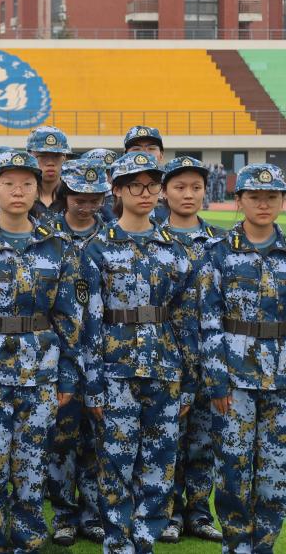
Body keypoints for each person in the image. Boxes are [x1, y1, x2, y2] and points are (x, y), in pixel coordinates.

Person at [0, 150, 86, 554]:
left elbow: (70, 320)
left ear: (38, 189)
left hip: (41, 373)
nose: (18, 191)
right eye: (8, 183)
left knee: (31, 465)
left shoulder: (58, 247)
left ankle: (28, 539)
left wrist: (67, 377)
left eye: (27, 183)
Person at [83, 151, 205, 554]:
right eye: (135, 184)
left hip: (165, 371)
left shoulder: (176, 250)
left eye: (153, 184)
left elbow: (186, 322)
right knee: (115, 466)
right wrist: (93, 384)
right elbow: (89, 324)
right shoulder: (96, 249)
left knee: (159, 466)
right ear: (116, 190)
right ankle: (118, 545)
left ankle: (145, 543)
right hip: (115, 373)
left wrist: (189, 381)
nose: (145, 192)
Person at [201, 163, 286, 554]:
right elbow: (208, 321)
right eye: (254, 197)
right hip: (234, 380)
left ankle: (264, 547)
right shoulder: (218, 252)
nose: (263, 204)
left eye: (272, 197)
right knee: (233, 473)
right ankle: (236, 547)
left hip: (281, 379)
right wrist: (217, 380)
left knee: (275, 476)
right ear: (239, 200)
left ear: (281, 201)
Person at [46, 158, 111, 545]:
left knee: (97, 439)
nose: (86, 207)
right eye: (79, 199)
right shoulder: (47, 235)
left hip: (105, 352)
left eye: (94, 199)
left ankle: (92, 513)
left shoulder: (113, 237)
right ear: (64, 196)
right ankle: (64, 515)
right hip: (59, 352)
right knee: (62, 438)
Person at [160, 156, 223, 543]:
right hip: (164, 356)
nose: (188, 194)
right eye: (179, 187)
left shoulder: (221, 242)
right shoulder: (151, 239)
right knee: (166, 440)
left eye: (196, 187)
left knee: (203, 441)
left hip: (210, 358)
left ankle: (199, 513)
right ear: (164, 192)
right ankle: (168, 513)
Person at [26, 126, 73, 222]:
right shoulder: (20, 196)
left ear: (64, 158)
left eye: (57, 156)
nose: (50, 162)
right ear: (30, 157)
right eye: (42, 156)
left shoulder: (74, 196)